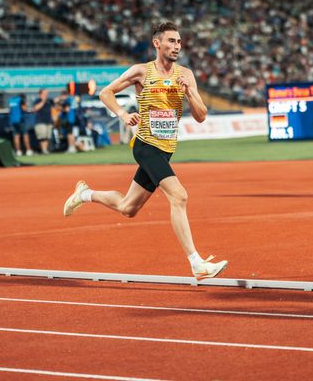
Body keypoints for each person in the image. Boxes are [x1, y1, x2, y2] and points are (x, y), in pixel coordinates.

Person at [63, 21, 227, 279]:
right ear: (157, 43)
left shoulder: (186, 75)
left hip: (166, 149)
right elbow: (106, 92)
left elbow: (201, 116)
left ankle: (85, 194)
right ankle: (196, 263)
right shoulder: (141, 71)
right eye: (171, 41)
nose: (177, 46)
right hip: (145, 145)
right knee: (179, 196)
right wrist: (122, 114)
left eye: (179, 42)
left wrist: (190, 94)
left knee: (128, 208)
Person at [33, 88, 55, 154]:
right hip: (40, 121)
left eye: (47, 93)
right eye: (44, 93)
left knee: (47, 136)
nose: (46, 95)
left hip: (48, 120)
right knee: (42, 136)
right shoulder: (37, 100)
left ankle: (45, 149)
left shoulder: (49, 101)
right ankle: (43, 149)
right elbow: (35, 108)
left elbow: (54, 108)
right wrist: (43, 101)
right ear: (41, 94)